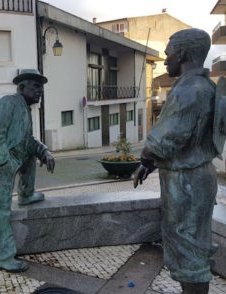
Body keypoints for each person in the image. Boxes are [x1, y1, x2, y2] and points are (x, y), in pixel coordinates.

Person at [134, 28, 222, 294]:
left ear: (182, 53)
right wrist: (149, 165)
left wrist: (146, 157)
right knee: (192, 244)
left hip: (186, 183)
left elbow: (165, 138)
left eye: (168, 52)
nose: (165, 59)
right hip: (196, 178)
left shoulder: (189, 90)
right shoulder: (207, 86)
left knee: (188, 248)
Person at [0, 69, 55, 272]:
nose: (40, 91)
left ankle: (26, 194)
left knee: (31, 152)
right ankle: (3, 257)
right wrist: (3, 161)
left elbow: (28, 140)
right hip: (1, 163)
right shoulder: (8, 102)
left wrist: (44, 151)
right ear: (22, 87)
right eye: (35, 86)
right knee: (0, 211)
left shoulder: (25, 109)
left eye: (41, 87)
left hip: (13, 159)